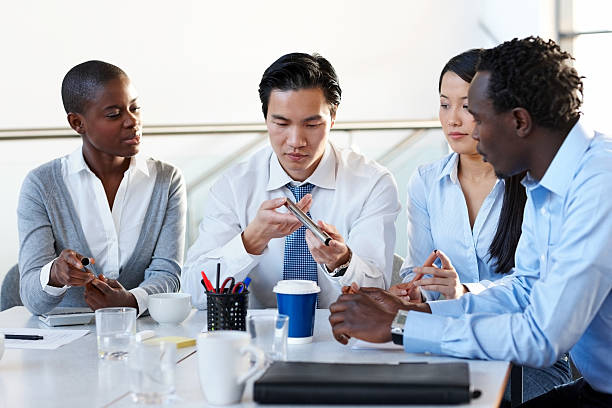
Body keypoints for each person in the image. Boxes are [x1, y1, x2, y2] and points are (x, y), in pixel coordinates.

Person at [329, 37, 612, 407]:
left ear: (519, 121)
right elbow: (523, 290)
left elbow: (542, 338)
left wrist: (401, 327)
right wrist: (417, 310)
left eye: (477, 117)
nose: (470, 132)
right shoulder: (545, 184)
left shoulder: (599, 184)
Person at [390, 49, 570, 403]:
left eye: (467, 106)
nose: (453, 119)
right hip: (452, 346)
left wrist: (464, 292)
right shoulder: (426, 181)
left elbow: (533, 295)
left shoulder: (535, 183)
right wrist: (418, 293)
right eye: (444, 104)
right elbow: (418, 271)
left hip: (526, 359)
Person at [182, 53, 400, 309]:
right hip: (257, 338)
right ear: (266, 118)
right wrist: (251, 241)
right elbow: (194, 293)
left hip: (340, 336)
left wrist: (342, 262)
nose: (296, 140)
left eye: (312, 124)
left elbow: (378, 294)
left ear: (333, 116)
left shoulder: (372, 184)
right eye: (282, 123)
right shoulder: (234, 186)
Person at [18, 61, 186, 316]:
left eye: (135, 108)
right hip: (63, 347)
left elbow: (168, 275)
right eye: (114, 114)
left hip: (141, 338)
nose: (132, 122)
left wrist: (131, 301)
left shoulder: (167, 180)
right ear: (77, 123)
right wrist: (55, 273)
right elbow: (32, 299)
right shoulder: (41, 185)